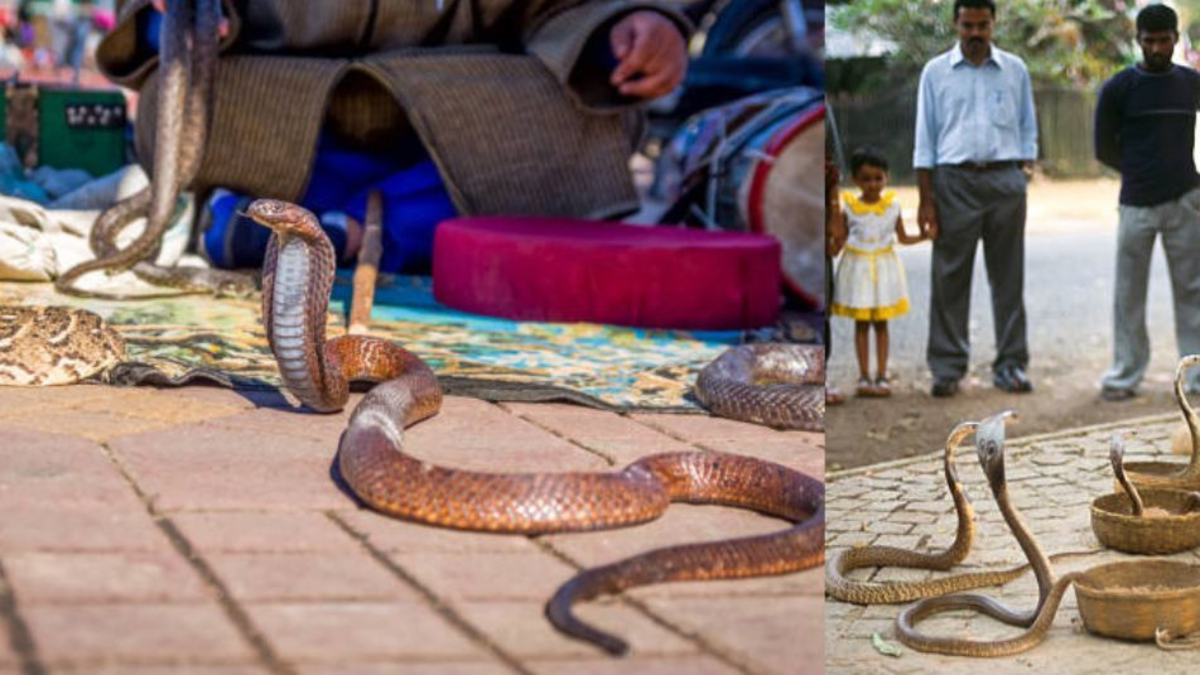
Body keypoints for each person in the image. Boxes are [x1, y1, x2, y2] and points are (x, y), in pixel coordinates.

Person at [92, 0, 691, 272]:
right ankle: (370, 229)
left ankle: (297, 228)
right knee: (174, 101)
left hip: (453, 125)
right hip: (286, 110)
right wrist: (170, 18)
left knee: (596, 121)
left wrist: (630, 25)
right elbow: (152, 28)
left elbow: (558, 11)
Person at [913, 0, 1037, 397]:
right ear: (955, 24)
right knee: (949, 277)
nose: (976, 34)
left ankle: (1012, 365)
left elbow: (1027, 127)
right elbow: (925, 140)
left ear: (994, 24)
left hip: (1004, 181)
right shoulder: (936, 73)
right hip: (954, 183)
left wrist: (1021, 175)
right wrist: (926, 200)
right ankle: (947, 368)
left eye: (983, 25)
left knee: (1008, 277)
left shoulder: (1015, 69)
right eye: (968, 25)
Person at [1094, 4, 1200, 400]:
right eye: (1149, 40)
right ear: (1138, 41)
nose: (1156, 48)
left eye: (1164, 40)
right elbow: (1103, 148)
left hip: (1186, 201)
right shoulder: (1119, 88)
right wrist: (1140, 171)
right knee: (1128, 294)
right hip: (1136, 204)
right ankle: (1124, 375)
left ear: (1176, 39)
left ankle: (1196, 377)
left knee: (1193, 290)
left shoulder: (1191, 83)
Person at [831, 148, 925, 397]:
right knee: (861, 324)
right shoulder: (849, 208)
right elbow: (838, 242)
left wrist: (925, 236)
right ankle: (864, 376)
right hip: (858, 269)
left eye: (877, 178)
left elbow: (903, 237)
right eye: (866, 179)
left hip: (884, 269)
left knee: (882, 324)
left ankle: (881, 376)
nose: (872, 184)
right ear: (855, 180)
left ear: (886, 177)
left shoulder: (893, 206)